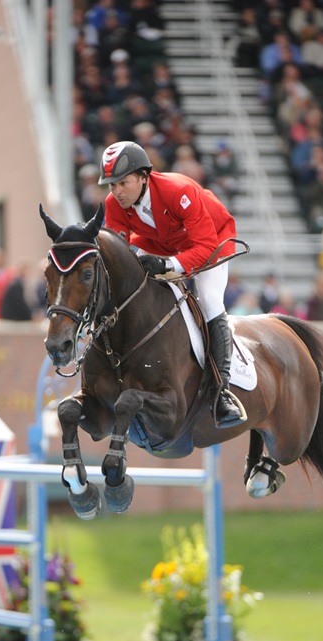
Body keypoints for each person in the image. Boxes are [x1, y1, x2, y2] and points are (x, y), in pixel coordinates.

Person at [98, 140, 244, 428]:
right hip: (161, 242)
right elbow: (118, 253)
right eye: (111, 185)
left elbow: (203, 247)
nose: (116, 191)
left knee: (210, 301)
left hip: (211, 243)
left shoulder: (179, 190)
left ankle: (221, 391)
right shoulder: (114, 204)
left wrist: (168, 265)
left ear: (143, 176)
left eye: (123, 183)